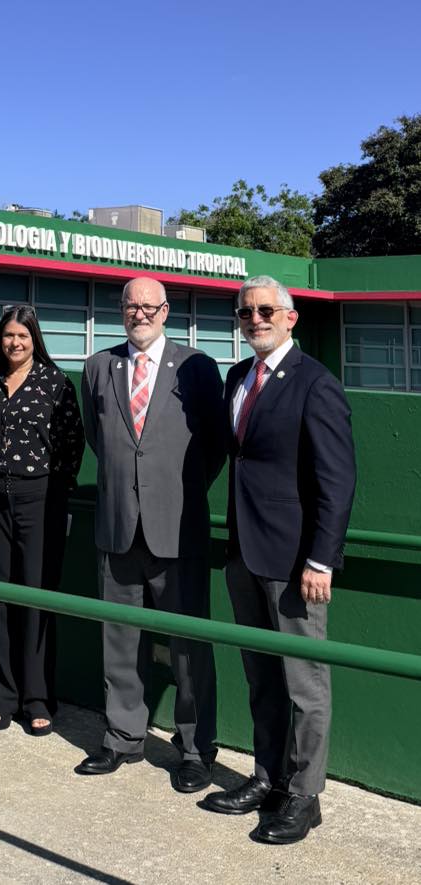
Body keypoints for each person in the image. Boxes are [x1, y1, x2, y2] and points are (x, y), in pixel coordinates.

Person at [203, 275, 356, 844]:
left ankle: (305, 794)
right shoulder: (239, 377)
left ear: (290, 317)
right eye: (246, 313)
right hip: (244, 552)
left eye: (266, 311)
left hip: (295, 563)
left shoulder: (316, 384)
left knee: (304, 685)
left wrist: (321, 560)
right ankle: (267, 777)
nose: (255, 320)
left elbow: (337, 482)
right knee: (261, 675)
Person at [77, 277, 226, 792]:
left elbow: (214, 446)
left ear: (166, 311)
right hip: (117, 529)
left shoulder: (198, 367)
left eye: (148, 305)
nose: (139, 313)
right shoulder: (98, 367)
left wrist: (171, 495)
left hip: (178, 531)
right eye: (130, 305)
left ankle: (194, 749)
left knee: (189, 647)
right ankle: (122, 737)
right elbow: (100, 441)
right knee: (119, 641)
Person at [0, 305, 85, 736]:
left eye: (22, 336)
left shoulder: (55, 383)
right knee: (1, 598)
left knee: (37, 597)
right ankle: (5, 696)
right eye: (7, 336)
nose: (14, 343)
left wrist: (53, 491)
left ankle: (38, 698)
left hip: (40, 497)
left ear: (35, 339)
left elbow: (72, 444)